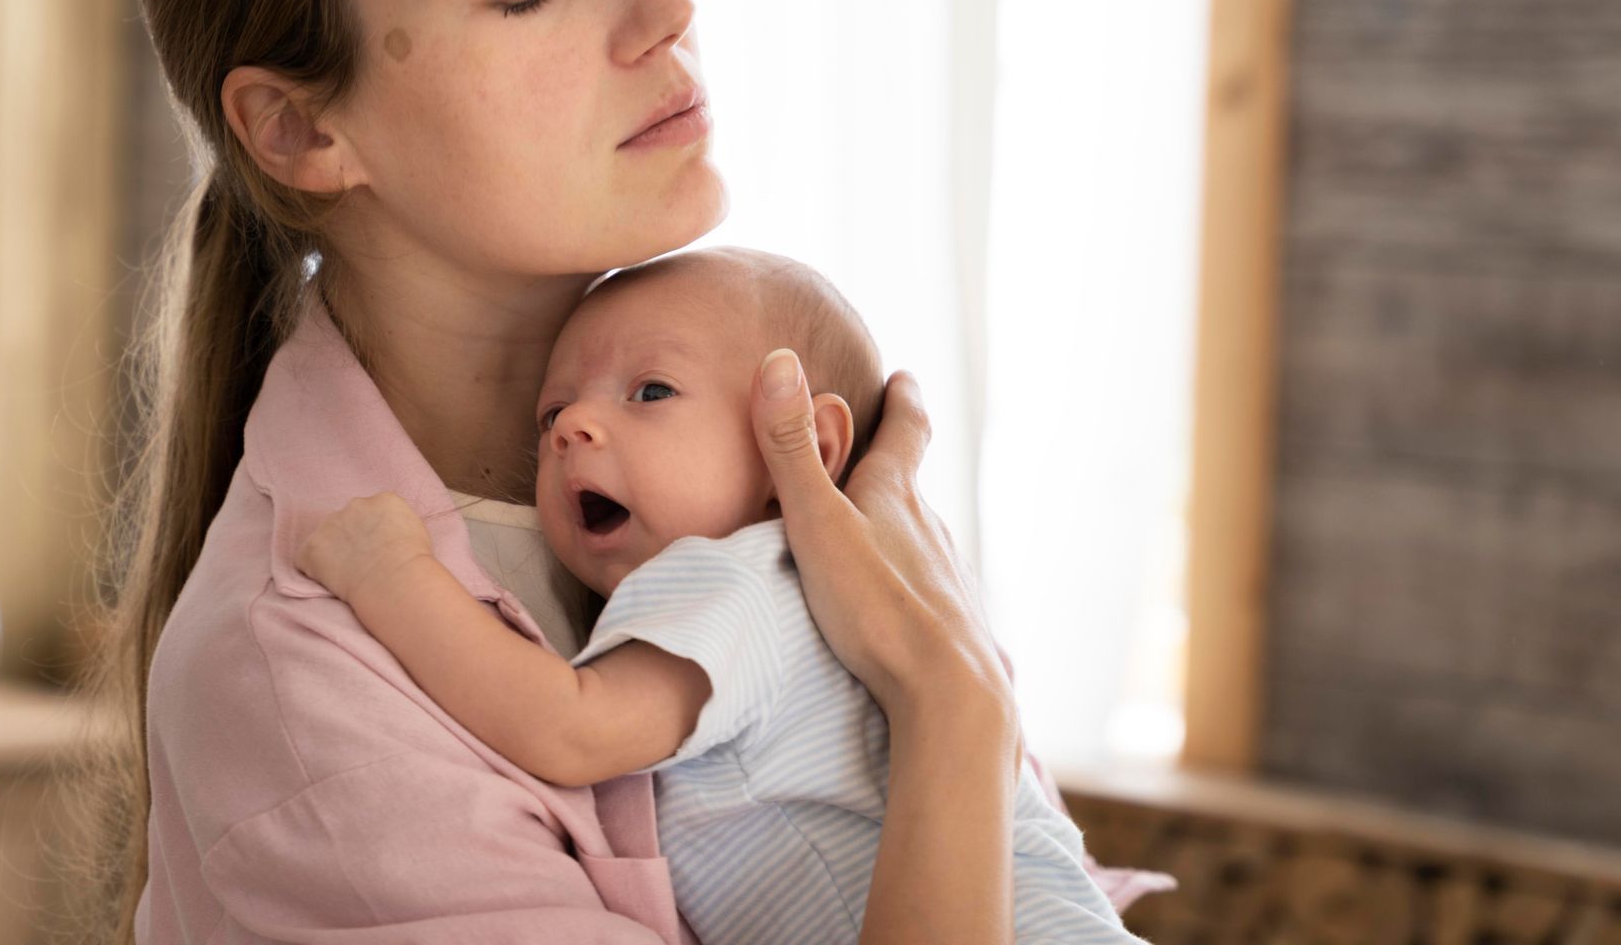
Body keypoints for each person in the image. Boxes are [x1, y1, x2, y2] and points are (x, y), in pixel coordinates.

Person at [73, 0, 1144, 944]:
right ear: (304, 126)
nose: (668, 7)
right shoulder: (304, 687)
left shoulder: (765, 437)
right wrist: (953, 711)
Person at [290, 245, 1151, 944]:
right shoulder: (859, 601)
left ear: (806, 448)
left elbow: (568, 726)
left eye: (651, 392)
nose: (572, 429)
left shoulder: (737, 576)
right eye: (553, 414)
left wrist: (392, 577)